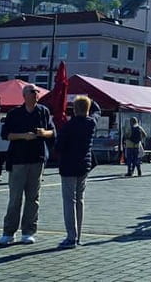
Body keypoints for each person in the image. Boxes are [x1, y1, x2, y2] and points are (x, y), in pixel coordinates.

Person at [0, 84, 56, 246]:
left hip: (37, 159)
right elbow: (5, 135)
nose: (36, 93)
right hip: (18, 160)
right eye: (33, 91)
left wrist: (43, 133)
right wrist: (24, 136)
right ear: (25, 95)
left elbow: (53, 131)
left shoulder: (43, 111)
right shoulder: (14, 113)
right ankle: (8, 232)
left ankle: (28, 231)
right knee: (15, 198)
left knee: (33, 198)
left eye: (37, 91)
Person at [56, 96, 100, 249]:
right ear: (87, 110)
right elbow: (97, 111)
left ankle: (71, 236)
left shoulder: (68, 126)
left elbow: (58, 147)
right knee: (80, 199)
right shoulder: (91, 123)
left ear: (74, 110)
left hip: (68, 166)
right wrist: (90, 100)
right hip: (84, 166)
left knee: (69, 201)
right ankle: (78, 235)